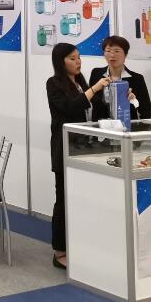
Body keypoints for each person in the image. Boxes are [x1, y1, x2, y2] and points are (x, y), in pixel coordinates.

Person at [46, 42, 110, 270]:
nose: (78, 62)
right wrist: (95, 89)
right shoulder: (54, 83)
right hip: (65, 148)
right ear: (60, 61)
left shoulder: (81, 82)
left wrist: (116, 96)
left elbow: (96, 110)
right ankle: (59, 251)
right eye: (72, 58)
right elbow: (71, 107)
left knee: (81, 198)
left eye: (79, 57)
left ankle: (79, 244)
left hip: (85, 149)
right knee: (63, 199)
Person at [88, 36, 150, 120]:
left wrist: (133, 101)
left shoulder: (137, 78)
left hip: (127, 124)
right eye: (108, 51)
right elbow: (91, 101)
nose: (112, 55)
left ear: (125, 54)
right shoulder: (96, 73)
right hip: (100, 124)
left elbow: (145, 110)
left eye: (117, 51)